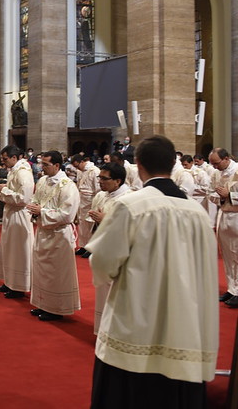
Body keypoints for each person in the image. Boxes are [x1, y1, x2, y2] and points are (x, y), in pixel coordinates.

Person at [87, 135, 218, 408]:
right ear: (173, 164)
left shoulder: (132, 206)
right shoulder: (197, 213)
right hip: (184, 326)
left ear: (138, 164)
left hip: (135, 324)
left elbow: (103, 262)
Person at [26, 150, 81, 322]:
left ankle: (56, 308)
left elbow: (67, 215)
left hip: (59, 235)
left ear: (57, 165)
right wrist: (34, 207)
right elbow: (36, 198)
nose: (42, 168)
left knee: (56, 273)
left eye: (46, 164)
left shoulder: (68, 186)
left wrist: (41, 211)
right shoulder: (43, 180)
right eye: (41, 164)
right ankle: (43, 304)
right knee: (42, 270)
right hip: (43, 230)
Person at [87, 162, 130, 334]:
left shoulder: (128, 199)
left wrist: (105, 219)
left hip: (118, 253)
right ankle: (102, 329)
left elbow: (129, 228)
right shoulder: (102, 195)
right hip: (103, 248)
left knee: (115, 292)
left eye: (104, 179)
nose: (100, 182)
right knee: (102, 291)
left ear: (118, 181)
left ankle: (115, 332)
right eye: (100, 178)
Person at [0, 145, 34, 299]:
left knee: (18, 251)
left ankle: (19, 285)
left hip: (20, 215)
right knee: (9, 249)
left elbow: (24, 198)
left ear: (14, 158)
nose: (3, 162)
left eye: (5, 159)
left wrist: (3, 190)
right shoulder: (14, 171)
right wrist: (4, 190)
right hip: (11, 212)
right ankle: (9, 281)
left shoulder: (23, 173)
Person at [209, 147, 238, 307]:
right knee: (227, 255)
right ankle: (232, 289)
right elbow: (210, 192)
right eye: (212, 164)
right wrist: (219, 198)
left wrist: (230, 196)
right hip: (224, 215)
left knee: (237, 255)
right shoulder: (216, 174)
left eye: (216, 163)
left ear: (226, 158)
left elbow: (229, 195)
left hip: (237, 215)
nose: (214, 167)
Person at [71, 154, 100, 257]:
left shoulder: (94, 171)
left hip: (91, 201)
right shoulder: (80, 171)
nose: (76, 168)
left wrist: (96, 204)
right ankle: (83, 246)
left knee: (89, 226)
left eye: (77, 165)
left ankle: (91, 248)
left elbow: (98, 189)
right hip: (81, 200)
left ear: (82, 162)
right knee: (82, 225)